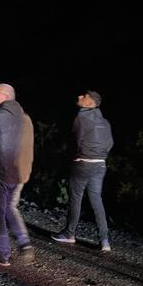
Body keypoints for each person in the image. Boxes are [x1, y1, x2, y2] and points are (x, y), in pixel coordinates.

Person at [0, 83, 35, 266]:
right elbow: (28, 147)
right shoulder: (26, 118)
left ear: (4, 96)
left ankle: (3, 254)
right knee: (10, 208)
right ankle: (24, 244)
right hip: (19, 174)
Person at [52, 90, 114, 251]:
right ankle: (105, 240)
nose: (79, 97)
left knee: (76, 198)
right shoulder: (105, 122)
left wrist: (76, 156)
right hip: (100, 164)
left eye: (83, 96)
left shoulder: (81, 117)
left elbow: (76, 140)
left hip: (83, 163)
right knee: (96, 200)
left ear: (90, 103)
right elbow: (110, 144)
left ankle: (69, 234)